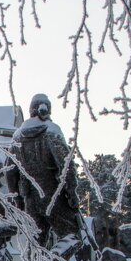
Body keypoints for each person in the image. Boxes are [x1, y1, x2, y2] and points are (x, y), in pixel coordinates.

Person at [9, 94, 83, 252]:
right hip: (53, 194)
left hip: (29, 198)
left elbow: (10, 172)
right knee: (72, 236)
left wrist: (18, 200)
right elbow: (66, 166)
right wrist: (72, 194)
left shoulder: (17, 137)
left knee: (35, 244)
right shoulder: (52, 131)